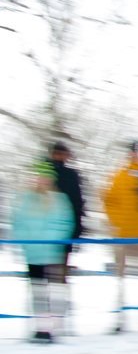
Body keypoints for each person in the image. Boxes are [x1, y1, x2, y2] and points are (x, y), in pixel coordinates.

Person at [14, 162, 74, 343]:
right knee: (38, 291)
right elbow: (18, 222)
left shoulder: (59, 200)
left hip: (51, 252)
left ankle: (54, 326)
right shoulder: (26, 199)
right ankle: (41, 328)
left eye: (46, 177)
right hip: (33, 252)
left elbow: (65, 223)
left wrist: (52, 240)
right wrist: (25, 242)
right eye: (40, 177)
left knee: (53, 290)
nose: (43, 180)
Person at [102, 140, 138, 332]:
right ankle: (119, 318)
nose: (136, 155)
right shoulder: (120, 176)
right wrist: (116, 223)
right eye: (134, 152)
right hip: (123, 234)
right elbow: (108, 200)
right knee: (120, 279)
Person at [46, 141, 84, 329]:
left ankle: (59, 314)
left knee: (60, 273)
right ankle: (48, 314)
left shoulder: (72, 175)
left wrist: (77, 231)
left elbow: (78, 203)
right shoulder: (44, 173)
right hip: (44, 232)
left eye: (63, 154)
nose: (60, 157)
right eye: (57, 153)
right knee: (47, 273)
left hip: (65, 231)